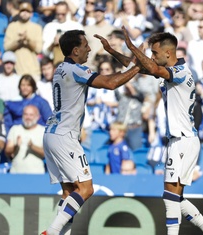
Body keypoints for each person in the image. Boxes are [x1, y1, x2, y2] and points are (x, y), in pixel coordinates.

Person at [101, 28, 203, 235]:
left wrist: (132, 47)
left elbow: (150, 68)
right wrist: (113, 51)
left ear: (168, 53)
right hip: (178, 141)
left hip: (183, 140)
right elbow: (138, 68)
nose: (152, 57)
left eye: (154, 53)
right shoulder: (171, 72)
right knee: (177, 198)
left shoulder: (181, 73)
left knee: (169, 197)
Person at [40, 29, 141, 235]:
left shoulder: (61, 68)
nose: (89, 49)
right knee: (86, 189)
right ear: (75, 50)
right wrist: (138, 67)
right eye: (86, 45)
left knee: (69, 193)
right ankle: (51, 232)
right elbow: (111, 83)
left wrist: (118, 56)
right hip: (64, 136)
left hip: (51, 133)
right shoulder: (75, 69)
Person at [4, 2, 43, 80]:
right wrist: (19, 41)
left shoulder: (37, 27)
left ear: (31, 14)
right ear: (19, 12)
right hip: (16, 71)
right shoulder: (12, 26)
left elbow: (39, 49)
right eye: (22, 11)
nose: (25, 13)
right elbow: (6, 47)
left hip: (33, 71)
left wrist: (27, 40)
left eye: (27, 11)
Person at [5, 105, 45, 174]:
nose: (28, 117)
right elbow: (7, 152)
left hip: (37, 174)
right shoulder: (15, 129)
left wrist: (32, 146)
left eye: (31, 115)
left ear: (38, 117)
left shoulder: (43, 131)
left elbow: (47, 154)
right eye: (26, 114)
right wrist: (16, 145)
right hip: (16, 173)